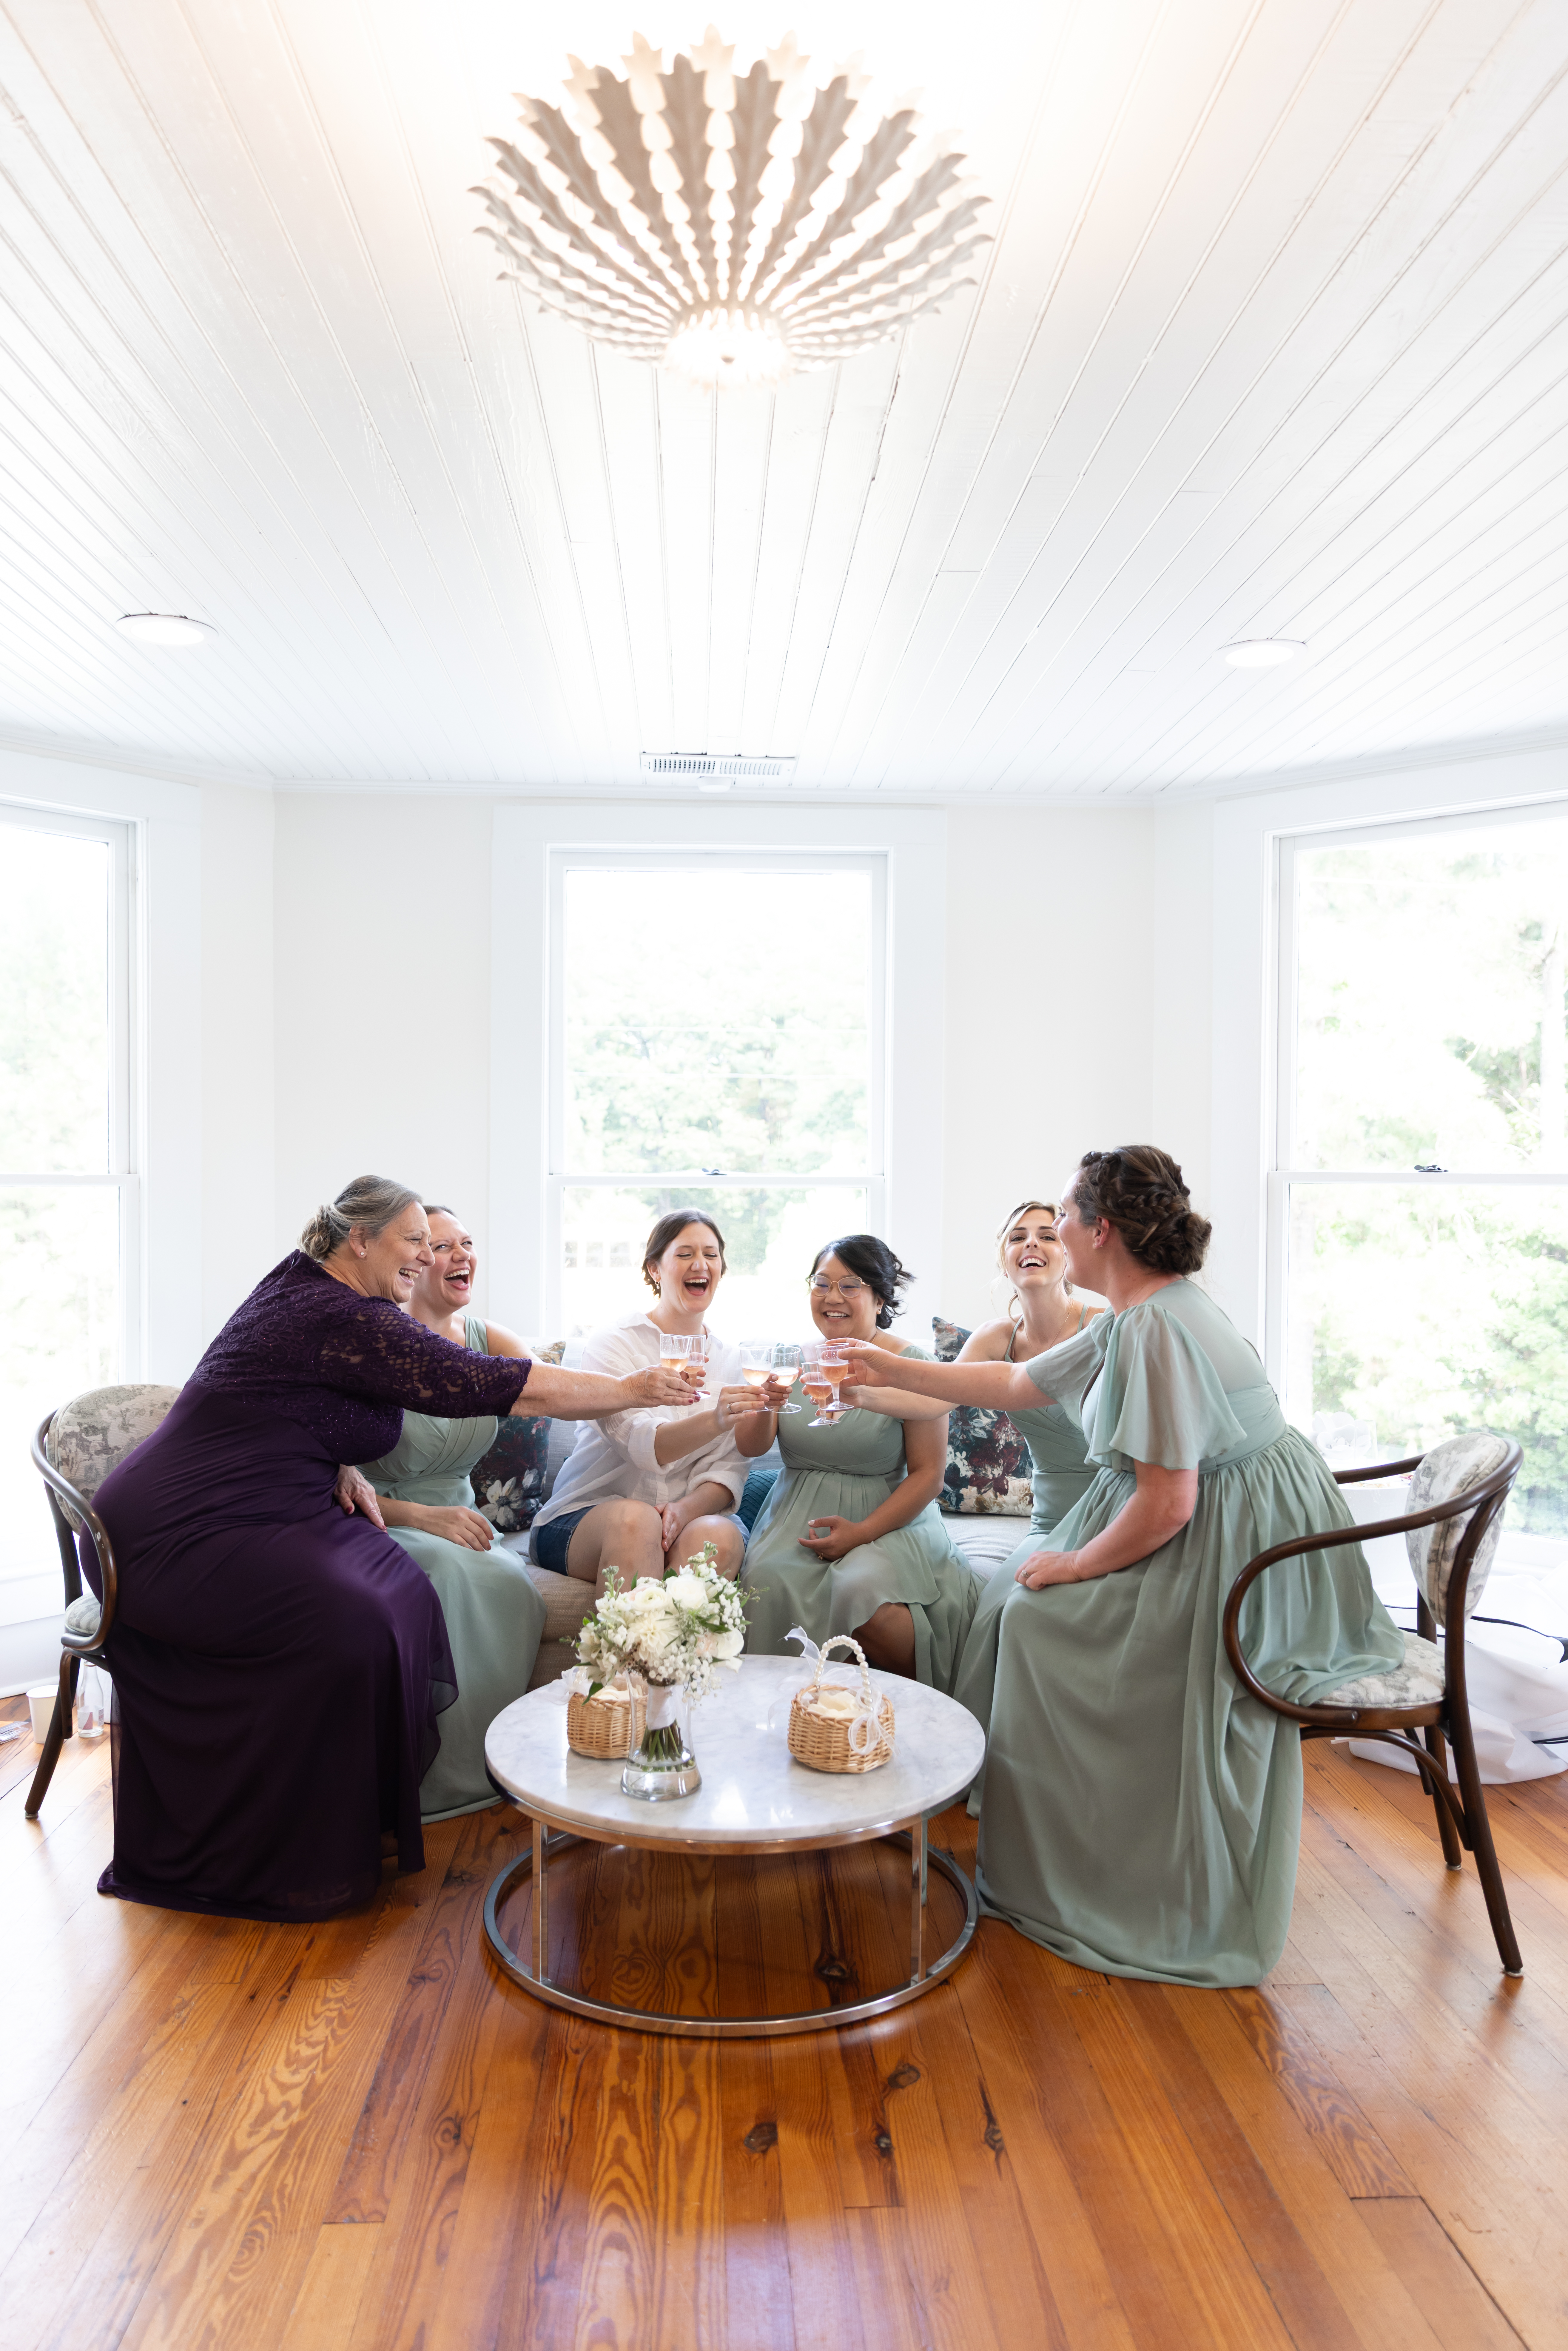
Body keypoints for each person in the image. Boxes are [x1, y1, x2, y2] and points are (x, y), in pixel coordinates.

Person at [845, 1148, 1405, 1986]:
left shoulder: (1155, 1328)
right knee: (1011, 1602)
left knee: (1039, 1625)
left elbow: (1166, 1505)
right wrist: (886, 1364)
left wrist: (1071, 1564)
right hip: (1236, 1513)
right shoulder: (1135, 1310)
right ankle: (1039, 1831)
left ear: (1099, 1229)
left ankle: (1090, 1869)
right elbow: (1012, 1379)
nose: (1053, 1231)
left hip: (1249, 1546)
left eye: (1063, 1215)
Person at [88, 1177, 691, 1923]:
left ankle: (360, 1807)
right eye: (414, 1239)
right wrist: (630, 1387)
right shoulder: (337, 1307)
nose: (427, 1254)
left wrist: (334, 1457)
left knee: (395, 1595)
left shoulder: (316, 1289)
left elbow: (280, 1390)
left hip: (266, 1506)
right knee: (352, 1622)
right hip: (177, 1527)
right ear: (359, 1240)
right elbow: (501, 1387)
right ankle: (278, 1839)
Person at [358, 1206, 547, 1820]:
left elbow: (564, 1390)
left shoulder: (486, 1340)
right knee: (447, 1575)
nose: (462, 1255)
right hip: (384, 1519)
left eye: (469, 1243)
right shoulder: (373, 1342)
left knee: (507, 1583)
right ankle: (436, 1781)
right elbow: (330, 1473)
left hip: (465, 1522)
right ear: (413, 1261)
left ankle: (496, 1762)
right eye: (443, 1246)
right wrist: (417, 1516)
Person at [738, 1235, 980, 1684]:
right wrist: (764, 1403)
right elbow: (751, 1448)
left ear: (880, 1295)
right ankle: (802, 1718)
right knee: (768, 1580)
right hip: (797, 1513)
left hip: (888, 1515)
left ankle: (904, 1717)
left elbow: (928, 1475)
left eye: (850, 1285)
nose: (832, 1297)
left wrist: (862, 1533)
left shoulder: (910, 1362)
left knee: (867, 1597)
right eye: (821, 1283)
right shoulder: (788, 1360)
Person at [530, 1211, 760, 1585]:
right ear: (655, 1268)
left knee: (717, 1534)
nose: (700, 1264)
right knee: (637, 1519)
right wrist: (715, 1419)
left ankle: (671, 1643)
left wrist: (683, 1511)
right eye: (684, 1254)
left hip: (684, 1518)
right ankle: (632, 1644)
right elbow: (643, 1446)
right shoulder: (614, 1342)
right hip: (587, 1516)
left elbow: (728, 1470)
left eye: (711, 1254)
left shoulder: (733, 1360)